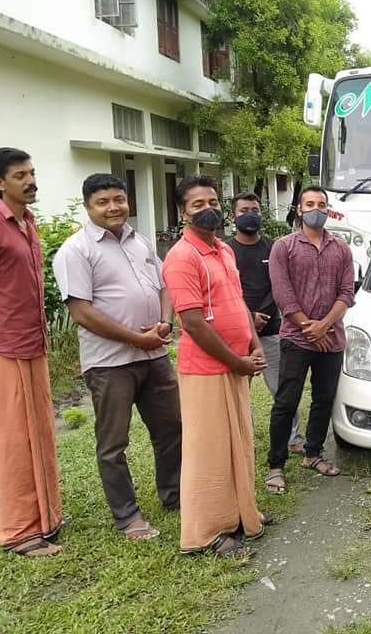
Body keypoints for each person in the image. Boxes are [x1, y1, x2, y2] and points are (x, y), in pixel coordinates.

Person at [53, 173, 181, 540]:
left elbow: (163, 286)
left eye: (118, 199)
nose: (113, 207)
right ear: (88, 206)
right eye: (103, 202)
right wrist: (134, 340)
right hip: (109, 362)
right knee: (113, 443)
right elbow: (83, 312)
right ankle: (128, 516)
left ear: (128, 201)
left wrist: (164, 323)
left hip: (154, 354)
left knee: (171, 428)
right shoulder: (76, 250)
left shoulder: (139, 240)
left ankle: (174, 495)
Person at [162, 175, 267, 556]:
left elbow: (239, 304)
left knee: (236, 442)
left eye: (212, 202)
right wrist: (237, 360)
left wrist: (253, 346)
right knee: (208, 452)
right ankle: (207, 532)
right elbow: (190, 322)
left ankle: (241, 514)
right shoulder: (181, 257)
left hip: (236, 363)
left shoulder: (223, 249)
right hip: (206, 369)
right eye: (197, 205)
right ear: (182, 213)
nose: (208, 209)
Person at [0, 147, 63, 556]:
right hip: (5, 346)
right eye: (20, 175)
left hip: (33, 345)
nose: (31, 181)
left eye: (32, 172)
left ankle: (46, 518)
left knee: (41, 433)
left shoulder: (27, 223)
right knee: (15, 440)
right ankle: (17, 532)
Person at [265, 186, 354, 494]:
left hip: (332, 339)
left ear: (328, 210)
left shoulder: (341, 249)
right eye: (310, 204)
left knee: (323, 399)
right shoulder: (283, 247)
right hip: (295, 339)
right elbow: (283, 295)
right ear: (300, 210)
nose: (317, 208)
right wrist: (308, 328)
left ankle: (313, 454)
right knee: (286, 402)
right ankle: (276, 465)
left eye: (322, 204)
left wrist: (324, 326)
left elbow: (346, 293)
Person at [226, 192, 305, 454]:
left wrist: (262, 315)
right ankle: (238, 439)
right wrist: (247, 316)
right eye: (244, 210)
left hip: (271, 330)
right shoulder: (225, 251)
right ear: (232, 216)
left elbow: (281, 286)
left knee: (283, 389)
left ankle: (293, 438)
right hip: (235, 334)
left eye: (255, 209)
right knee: (236, 392)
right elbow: (226, 289)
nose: (250, 214)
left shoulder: (275, 248)